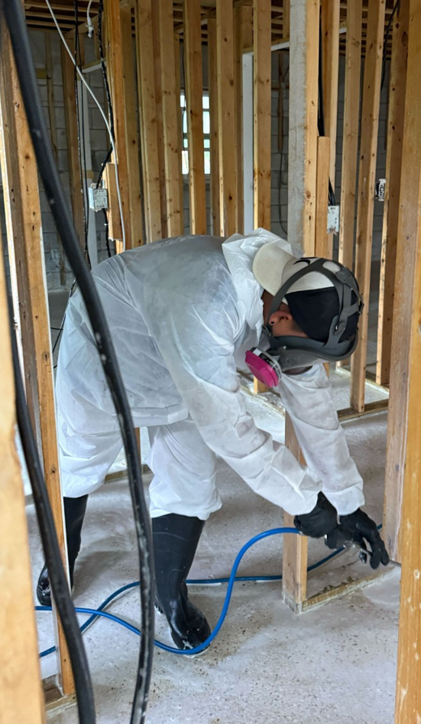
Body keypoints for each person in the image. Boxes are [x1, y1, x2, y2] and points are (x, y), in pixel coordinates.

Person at [38, 229, 388, 649]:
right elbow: (232, 434)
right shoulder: (208, 300)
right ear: (279, 318)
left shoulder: (289, 291)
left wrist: (347, 502)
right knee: (79, 462)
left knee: (191, 482)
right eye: (302, 352)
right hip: (106, 346)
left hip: (180, 362)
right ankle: (60, 558)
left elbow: (313, 407)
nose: (300, 363)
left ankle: (167, 595)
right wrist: (307, 502)